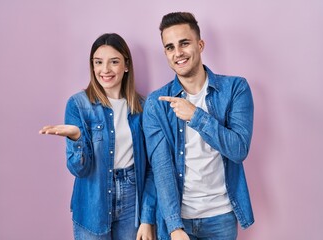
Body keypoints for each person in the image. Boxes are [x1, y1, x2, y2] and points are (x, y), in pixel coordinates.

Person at [143, 12, 255, 240]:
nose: (178, 53)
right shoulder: (157, 103)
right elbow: (161, 168)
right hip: (178, 219)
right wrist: (174, 227)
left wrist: (196, 116)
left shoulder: (235, 89)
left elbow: (238, 150)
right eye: (170, 47)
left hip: (221, 216)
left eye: (184, 43)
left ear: (200, 44)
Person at [39, 33, 155, 240]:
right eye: (98, 62)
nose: (105, 70)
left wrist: (147, 218)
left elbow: (150, 169)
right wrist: (77, 139)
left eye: (114, 62)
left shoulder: (143, 108)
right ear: (92, 66)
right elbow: (79, 169)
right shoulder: (78, 105)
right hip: (93, 200)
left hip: (131, 200)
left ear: (126, 65)